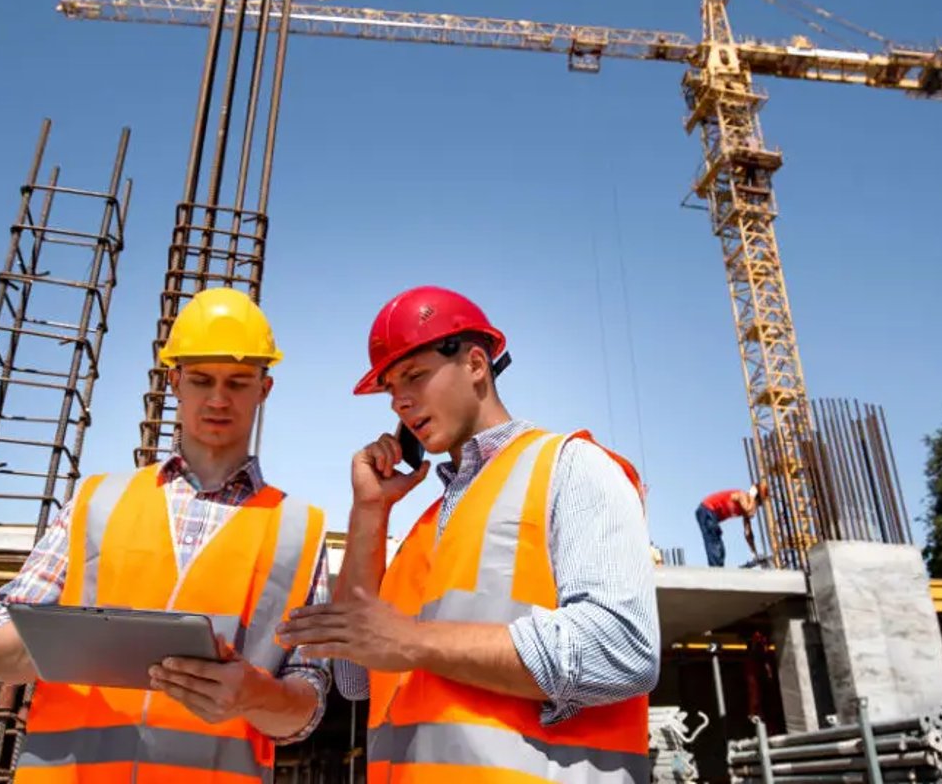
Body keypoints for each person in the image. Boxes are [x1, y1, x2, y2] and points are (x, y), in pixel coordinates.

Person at [277, 285, 659, 782]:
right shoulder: (427, 525)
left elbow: (622, 649)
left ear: (476, 364)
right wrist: (369, 511)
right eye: (391, 389)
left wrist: (414, 640)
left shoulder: (571, 467)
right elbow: (353, 676)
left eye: (414, 375)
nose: (401, 403)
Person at [0, 287, 331, 784]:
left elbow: (306, 706)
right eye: (201, 380)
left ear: (264, 389)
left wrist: (252, 693)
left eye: (239, 382)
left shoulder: (300, 529)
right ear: (174, 380)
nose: (219, 399)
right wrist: (69, 646)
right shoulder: (97, 502)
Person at [695, 484, 764, 568]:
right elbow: (748, 509)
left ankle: (717, 569)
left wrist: (754, 553)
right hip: (707, 510)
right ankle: (716, 572)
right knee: (715, 544)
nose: (756, 508)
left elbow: (748, 533)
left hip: (710, 515)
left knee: (720, 550)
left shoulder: (744, 510)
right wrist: (753, 496)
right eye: (758, 504)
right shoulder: (741, 495)